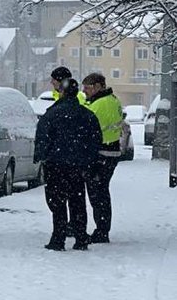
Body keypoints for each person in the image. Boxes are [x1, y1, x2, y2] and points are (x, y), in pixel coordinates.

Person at [34, 77, 102, 251]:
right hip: (78, 167)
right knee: (77, 201)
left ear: (62, 92)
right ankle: (80, 238)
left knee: (57, 203)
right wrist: (90, 162)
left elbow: (42, 138)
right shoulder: (87, 115)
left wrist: (42, 157)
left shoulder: (52, 113)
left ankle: (58, 238)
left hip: (56, 165)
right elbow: (95, 141)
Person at [80, 72, 124, 243]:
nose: (85, 91)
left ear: (98, 86)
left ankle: (102, 230)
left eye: (88, 88)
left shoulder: (100, 104)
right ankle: (103, 228)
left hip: (101, 153)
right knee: (101, 192)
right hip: (111, 151)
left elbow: (86, 124)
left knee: (97, 194)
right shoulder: (113, 100)